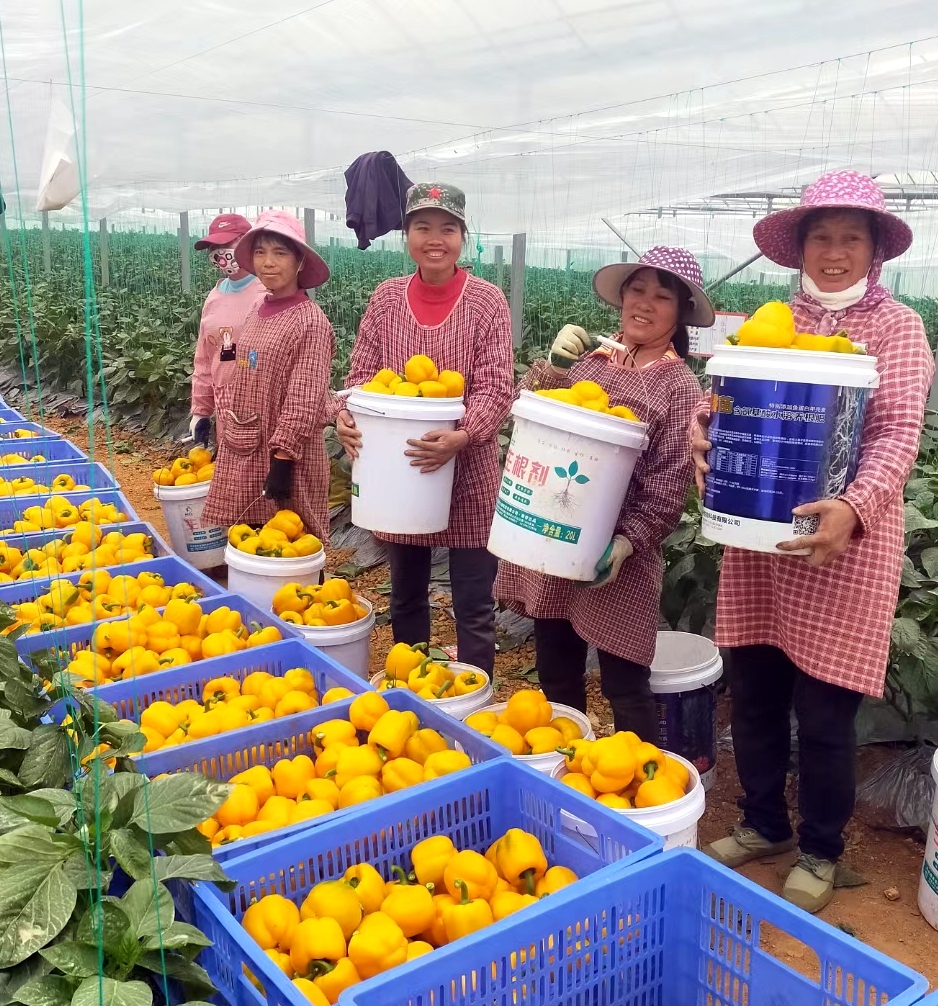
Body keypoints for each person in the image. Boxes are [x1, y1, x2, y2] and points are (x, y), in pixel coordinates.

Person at [696, 170, 935, 913]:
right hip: (760, 544)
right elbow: (722, 402)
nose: (834, 253)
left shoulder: (897, 328)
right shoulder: (766, 320)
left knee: (827, 716)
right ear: (799, 247)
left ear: (875, 251)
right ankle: (764, 823)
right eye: (821, 237)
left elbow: (896, 433)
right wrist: (704, 435)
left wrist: (853, 507)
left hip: (845, 546)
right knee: (755, 695)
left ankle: (823, 850)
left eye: (850, 239)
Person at [496, 247, 710, 741]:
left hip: (618, 557)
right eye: (637, 290)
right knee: (556, 671)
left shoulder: (679, 386)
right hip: (554, 536)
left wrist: (628, 540)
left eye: (662, 297)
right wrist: (553, 370)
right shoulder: (588, 361)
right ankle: (567, 763)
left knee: (625, 683)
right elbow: (527, 418)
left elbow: (668, 482)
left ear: (680, 313)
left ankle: (638, 774)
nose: (645, 303)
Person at [335, 183, 513, 676]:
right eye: (423, 227)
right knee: (407, 595)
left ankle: (473, 700)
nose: (435, 239)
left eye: (448, 229)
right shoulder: (387, 298)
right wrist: (345, 416)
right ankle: (413, 690)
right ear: (406, 234)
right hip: (403, 468)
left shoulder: (486, 302)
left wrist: (463, 435)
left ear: (463, 236)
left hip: (469, 470)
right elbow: (360, 375)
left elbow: (497, 386)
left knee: (473, 603)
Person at [201, 210, 335, 542]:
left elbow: (305, 398)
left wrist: (283, 458)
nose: (268, 262)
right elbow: (242, 365)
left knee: (290, 543)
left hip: (287, 457)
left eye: (280, 253)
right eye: (260, 252)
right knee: (248, 543)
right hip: (246, 442)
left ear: (300, 261)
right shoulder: (257, 308)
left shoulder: (310, 322)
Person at [188, 213, 266, 449]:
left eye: (225, 244)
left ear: (248, 242)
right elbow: (204, 359)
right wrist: (200, 411)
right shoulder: (215, 296)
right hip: (225, 404)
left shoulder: (267, 292)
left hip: (262, 404)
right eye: (213, 247)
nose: (219, 253)